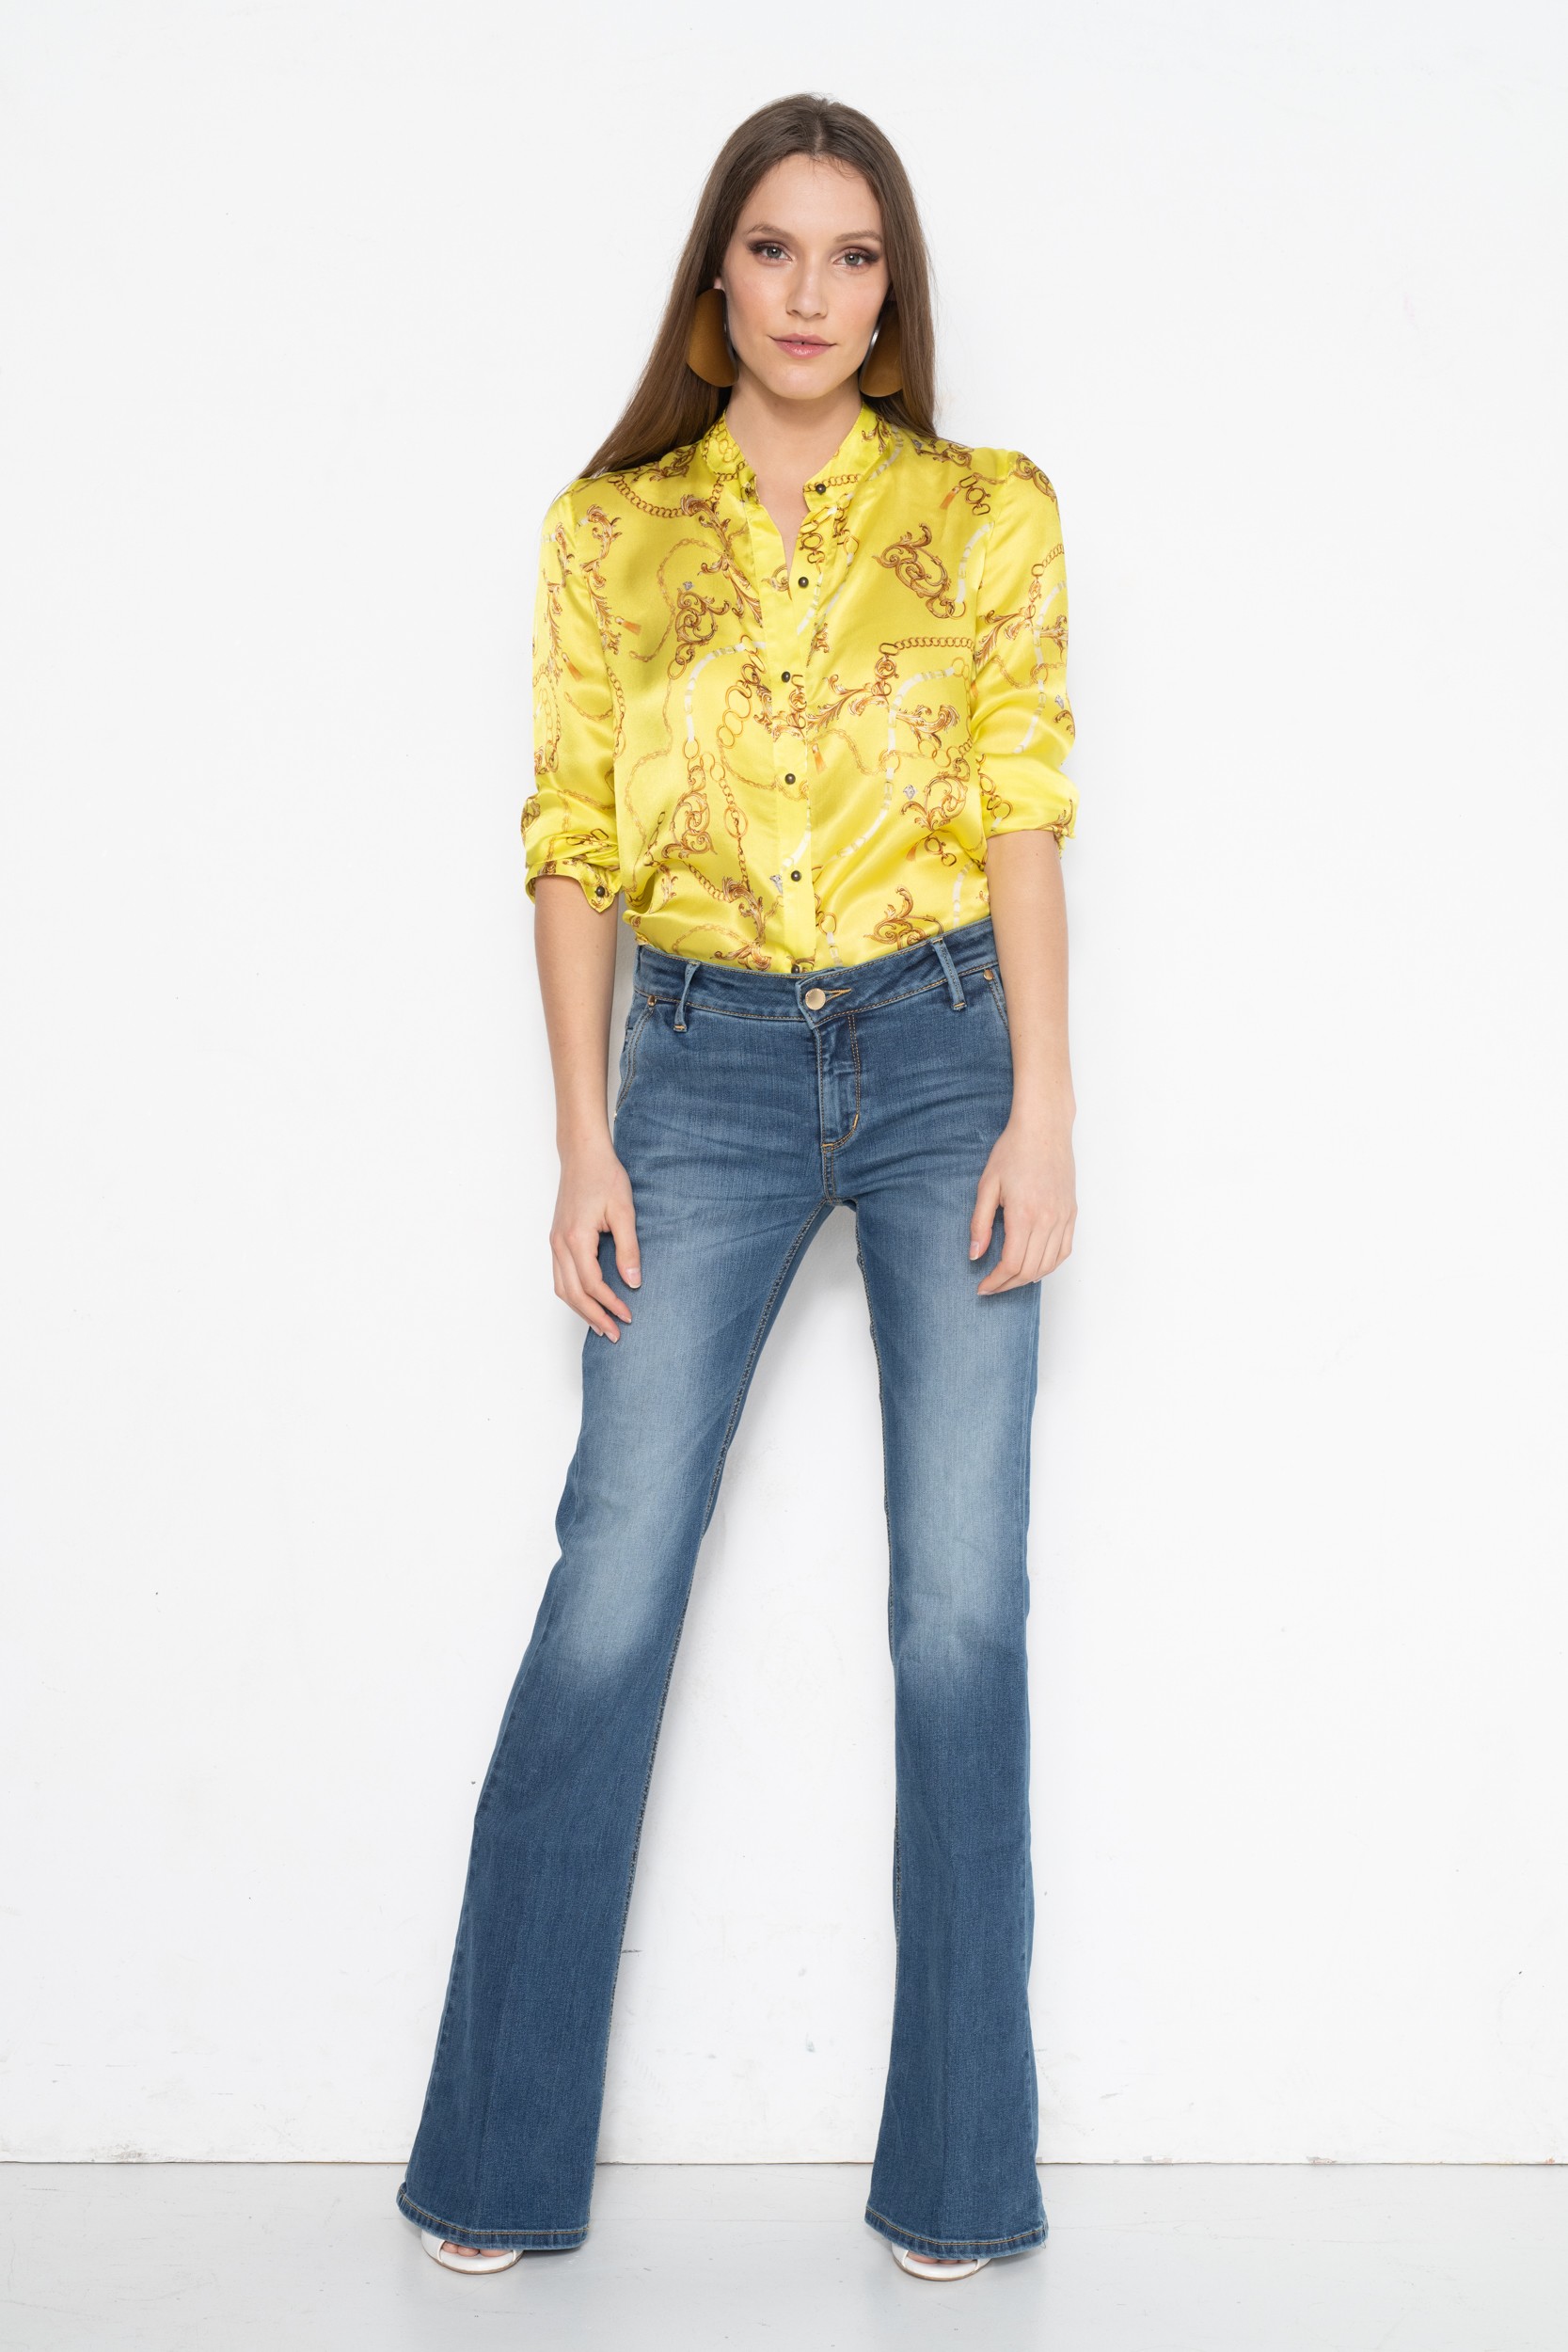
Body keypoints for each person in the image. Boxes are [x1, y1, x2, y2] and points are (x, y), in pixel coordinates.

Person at [396, 89, 1079, 2287]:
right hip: (690, 1074)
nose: (812, 291)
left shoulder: (986, 510)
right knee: (612, 1577)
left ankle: (960, 2173)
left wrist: (1046, 1103)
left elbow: (1025, 801)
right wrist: (581, 1135)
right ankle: (496, 2158)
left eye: (853, 255)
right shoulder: (609, 530)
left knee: (960, 1603)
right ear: (718, 278)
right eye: (776, 249)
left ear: (894, 293)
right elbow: (571, 839)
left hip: (945, 1047)